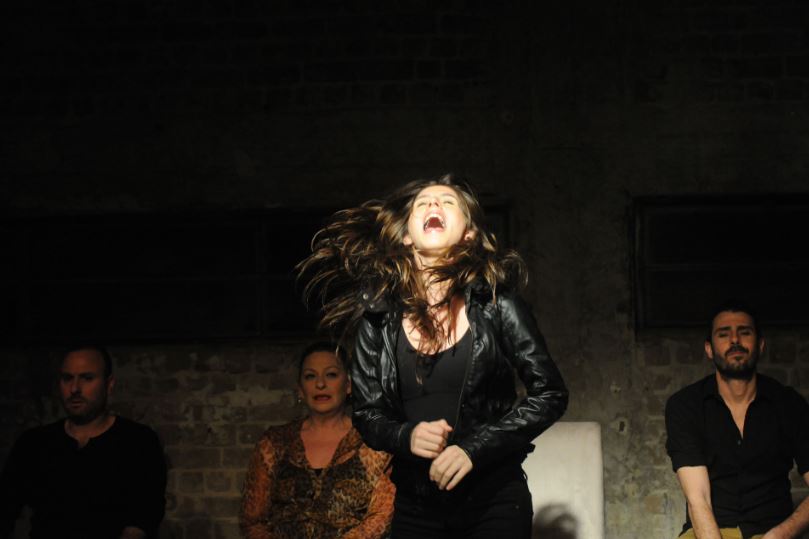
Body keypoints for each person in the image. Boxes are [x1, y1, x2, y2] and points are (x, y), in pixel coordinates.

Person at [298, 174, 568, 538]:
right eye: (422, 203)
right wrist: (405, 436)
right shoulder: (378, 316)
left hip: (494, 499)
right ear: (407, 236)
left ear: (469, 234)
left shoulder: (497, 304)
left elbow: (550, 394)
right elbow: (366, 414)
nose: (434, 204)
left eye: (448, 201)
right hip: (416, 505)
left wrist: (473, 450)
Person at [665, 301, 809, 539]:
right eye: (724, 334)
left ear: (760, 345)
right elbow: (698, 499)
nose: (735, 340)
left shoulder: (788, 404)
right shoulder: (686, 405)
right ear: (709, 349)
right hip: (708, 530)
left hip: (773, 531)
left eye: (745, 332)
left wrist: (780, 534)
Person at [0, 345, 167, 539]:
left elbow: (143, 516)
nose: (74, 389)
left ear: (109, 384)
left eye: (87, 378)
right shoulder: (34, 443)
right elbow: (6, 507)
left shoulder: (138, 441)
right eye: (67, 378)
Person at [240, 341, 395, 539]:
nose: (320, 384)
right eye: (310, 376)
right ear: (300, 389)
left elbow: (381, 517)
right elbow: (252, 521)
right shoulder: (275, 443)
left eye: (331, 374)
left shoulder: (372, 443)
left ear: (348, 385)